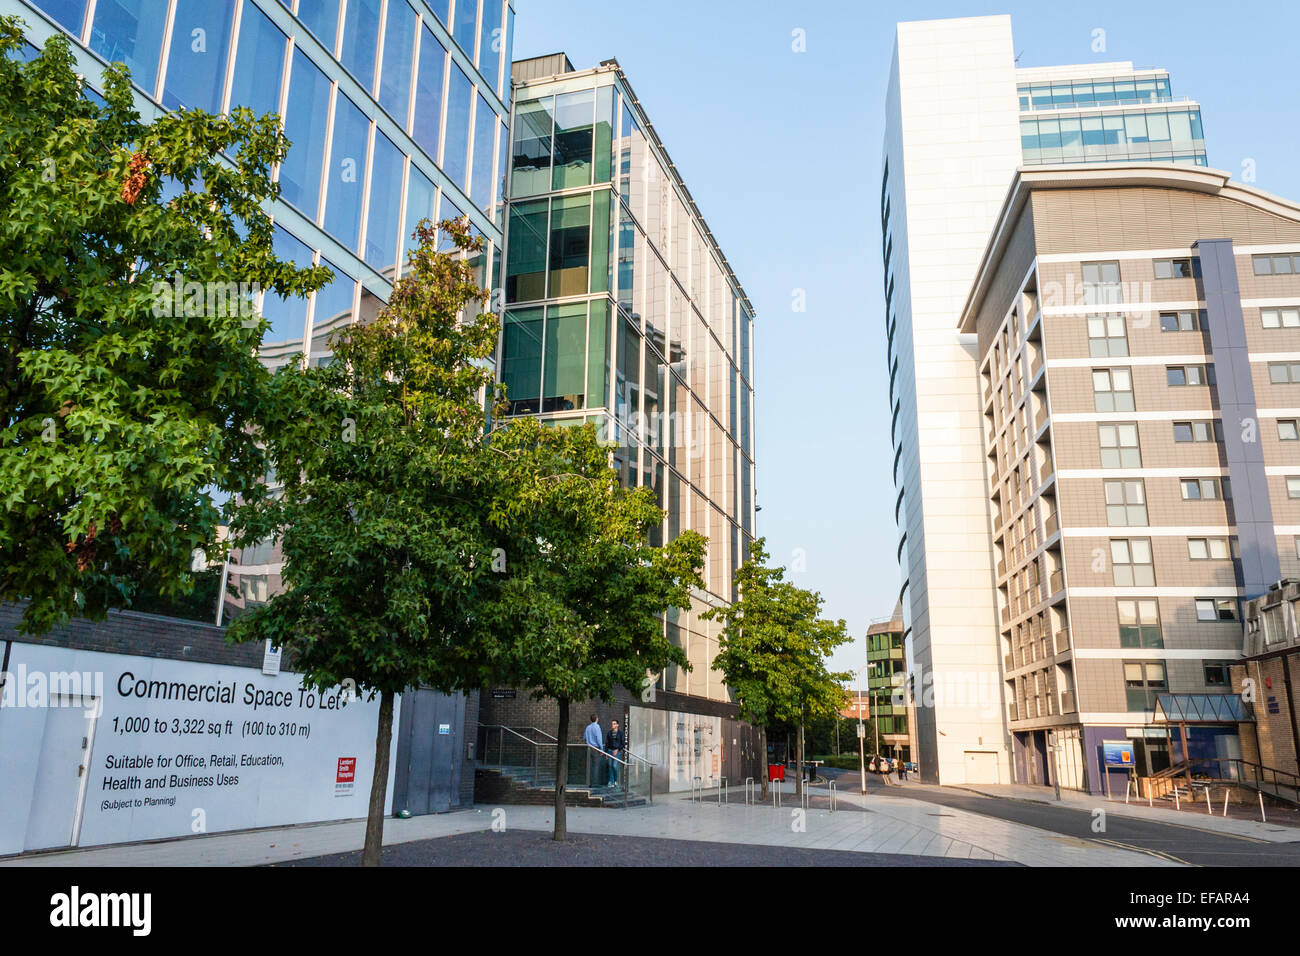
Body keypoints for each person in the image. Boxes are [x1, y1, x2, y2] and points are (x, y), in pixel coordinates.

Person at [584, 714, 604, 786]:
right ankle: (595, 783)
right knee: (596, 766)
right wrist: (601, 749)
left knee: (590, 766)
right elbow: (599, 739)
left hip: (589, 748)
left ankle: (589, 782)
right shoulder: (597, 727)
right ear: (596, 719)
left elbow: (585, 737)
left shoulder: (588, 727)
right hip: (595, 748)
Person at [607, 719, 625, 787]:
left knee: (614, 766)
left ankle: (615, 781)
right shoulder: (609, 733)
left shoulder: (621, 733)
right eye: (612, 724)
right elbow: (607, 743)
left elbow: (623, 744)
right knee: (610, 766)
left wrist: (617, 750)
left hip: (617, 751)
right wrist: (606, 753)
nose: (613, 725)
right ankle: (611, 781)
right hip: (610, 751)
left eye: (614, 724)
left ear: (617, 725)